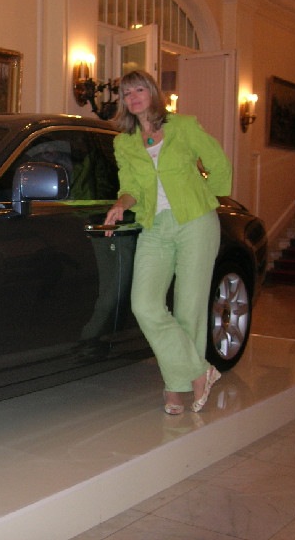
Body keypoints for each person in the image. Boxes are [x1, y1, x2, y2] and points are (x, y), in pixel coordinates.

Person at [103, 70, 232, 415]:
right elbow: (130, 186)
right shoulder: (124, 143)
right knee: (145, 304)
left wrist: (205, 198)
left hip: (195, 222)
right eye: (127, 93)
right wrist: (120, 204)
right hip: (155, 226)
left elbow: (218, 162)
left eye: (139, 89)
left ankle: (175, 387)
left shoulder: (183, 126)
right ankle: (199, 372)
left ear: (152, 92)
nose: (133, 97)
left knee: (189, 308)